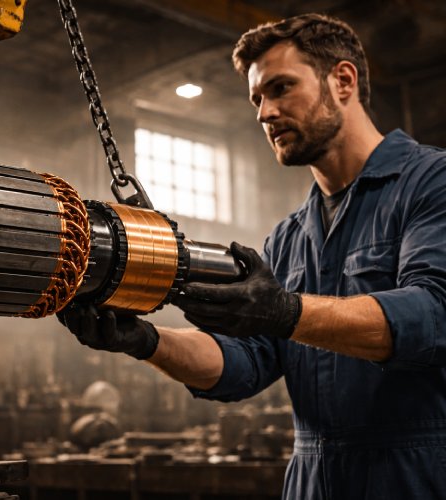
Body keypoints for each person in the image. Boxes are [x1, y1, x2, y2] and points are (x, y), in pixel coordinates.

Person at [57, 13, 446, 499]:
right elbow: (246, 363)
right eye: (257, 99)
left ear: (343, 81)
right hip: (313, 482)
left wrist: (285, 311)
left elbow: (434, 314)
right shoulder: (288, 237)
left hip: (418, 478)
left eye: (281, 88)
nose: (265, 112)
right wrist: (145, 340)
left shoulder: (431, 183)